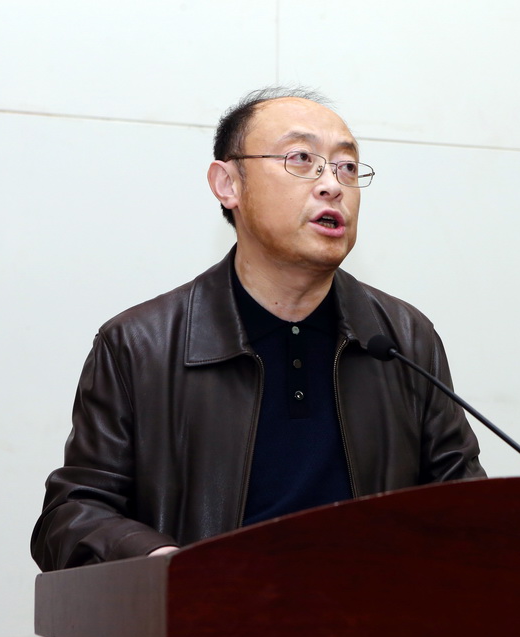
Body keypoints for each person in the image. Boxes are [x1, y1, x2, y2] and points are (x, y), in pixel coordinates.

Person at [30, 87, 484, 572]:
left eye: (347, 167)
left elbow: (467, 506)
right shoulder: (140, 345)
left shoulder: (403, 339)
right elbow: (72, 515)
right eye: (301, 159)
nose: (331, 185)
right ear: (228, 184)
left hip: (371, 614)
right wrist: (165, 565)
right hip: (210, 613)